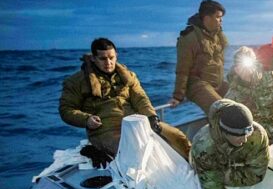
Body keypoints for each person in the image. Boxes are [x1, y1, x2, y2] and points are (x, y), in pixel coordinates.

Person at [59, 38, 191, 165]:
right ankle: (94, 149)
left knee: (178, 136)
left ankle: (196, 167)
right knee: (134, 151)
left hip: (135, 123)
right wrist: (86, 119)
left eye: (111, 57)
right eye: (103, 59)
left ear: (116, 55)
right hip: (104, 130)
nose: (108, 62)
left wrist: (152, 117)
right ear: (93, 58)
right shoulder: (76, 81)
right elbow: (66, 109)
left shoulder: (128, 76)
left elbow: (140, 98)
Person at [190, 99, 269, 189]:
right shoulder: (204, 147)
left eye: (247, 133)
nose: (244, 140)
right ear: (225, 132)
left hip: (229, 166)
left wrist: (230, 172)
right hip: (210, 166)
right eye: (238, 136)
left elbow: (257, 174)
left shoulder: (257, 134)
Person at [169, 0, 229, 113]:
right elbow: (183, 68)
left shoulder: (217, 36)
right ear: (207, 18)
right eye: (218, 17)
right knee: (223, 110)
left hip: (217, 83)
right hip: (197, 85)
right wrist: (178, 96)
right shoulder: (189, 37)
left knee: (244, 99)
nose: (221, 20)